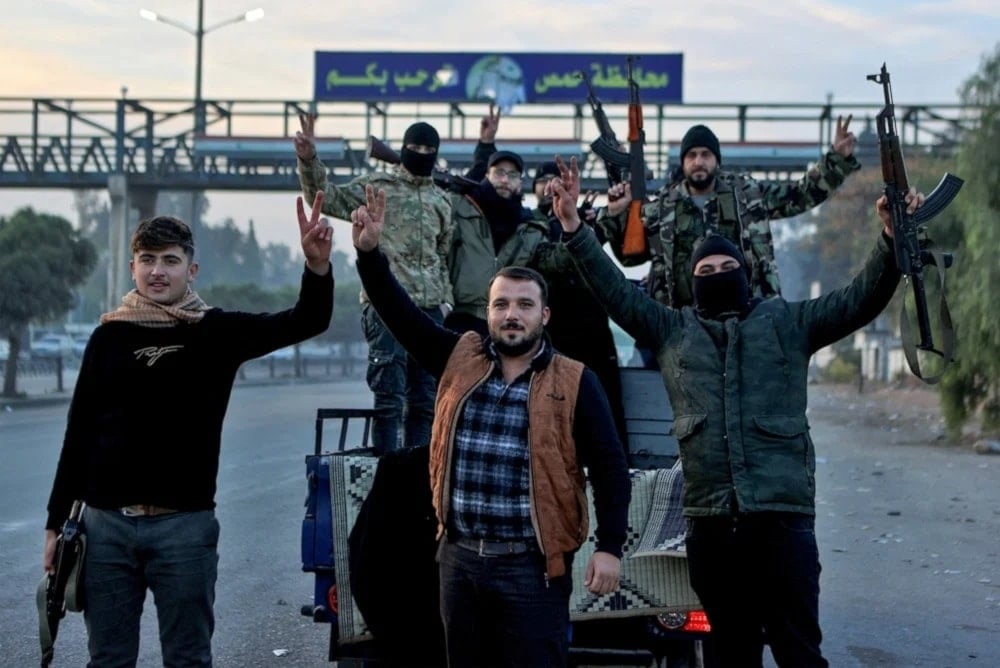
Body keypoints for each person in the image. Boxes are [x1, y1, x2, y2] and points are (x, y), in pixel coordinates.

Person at [550, 155, 924, 668]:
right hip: (713, 531)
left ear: (745, 273)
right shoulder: (673, 331)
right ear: (691, 279)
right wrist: (573, 226)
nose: (718, 275)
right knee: (729, 653)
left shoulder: (788, 324)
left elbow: (858, 300)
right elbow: (613, 291)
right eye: (705, 271)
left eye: (728, 269)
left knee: (799, 650)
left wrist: (888, 241)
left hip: (783, 522)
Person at [43, 194, 334, 667]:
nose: (158, 271)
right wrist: (56, 523)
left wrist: (316, 267)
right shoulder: (109, 336)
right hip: (106, 528)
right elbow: (78, 434)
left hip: (184, 529)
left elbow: (306, 320)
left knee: (188, 657)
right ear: (133, 267)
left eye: (170, 261)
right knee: (108, 658)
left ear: (191, 271)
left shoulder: (215, 332)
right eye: (148, 260)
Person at [351, 184, 631, 668]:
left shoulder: (575, 381)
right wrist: (370, 255)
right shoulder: (461, 358)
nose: (511, 315)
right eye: (501, 305)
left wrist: (610, 548)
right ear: (488, 313)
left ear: (543, 315)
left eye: (524, 305)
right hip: (459, 564)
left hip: (532, 570)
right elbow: (400, 315)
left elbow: (609, 467)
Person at [296, 113, 452, 452]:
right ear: (403, 148)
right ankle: (388, 477)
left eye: (428, 148)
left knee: (425, 402)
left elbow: (444, 256)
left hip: (429, 310)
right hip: (387, 309)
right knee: (389, 399)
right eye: (414, 146)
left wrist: (446, 302)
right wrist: (309, 159)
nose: (421, 152)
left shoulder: (442, 200)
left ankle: (419, 479)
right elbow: (326, 196)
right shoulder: (377, 188)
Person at [597, 117, 860, 307]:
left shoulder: (748, 196)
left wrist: (836, 157)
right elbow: (630, 257)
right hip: (684, 323)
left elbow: (800, 195)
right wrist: (616, 214)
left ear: (716, 161)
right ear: (684, 163)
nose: (698, 161)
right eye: (692, 156)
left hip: (747, 315)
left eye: (705, 155)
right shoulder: (661, 208)